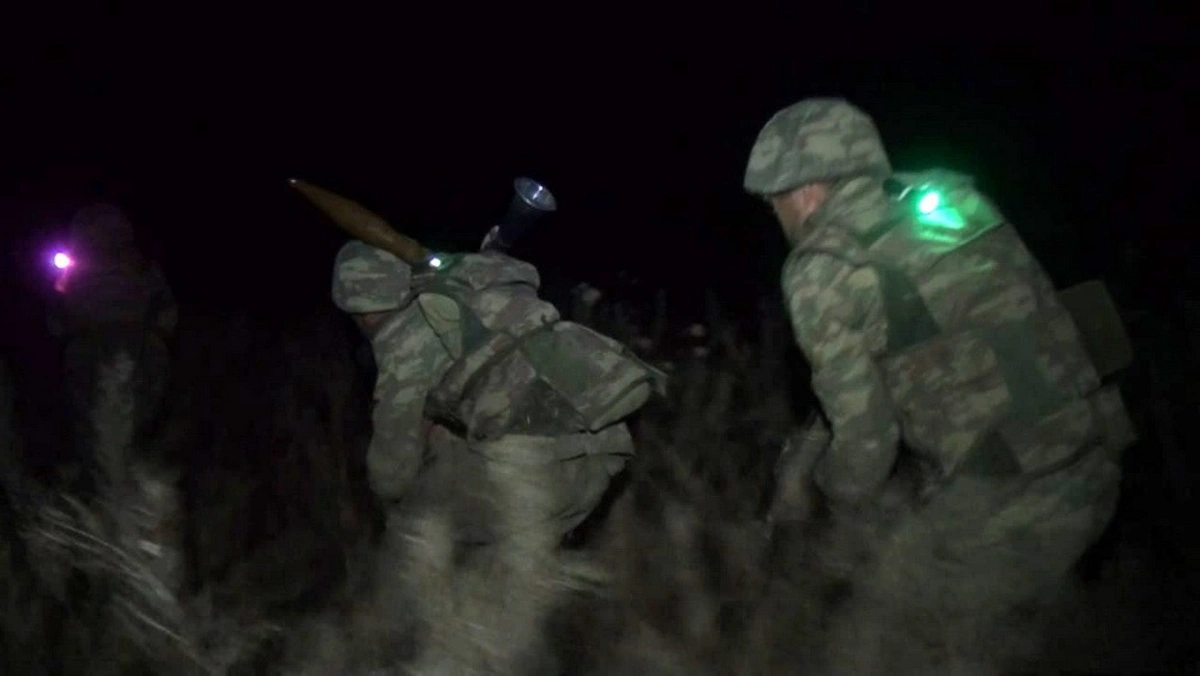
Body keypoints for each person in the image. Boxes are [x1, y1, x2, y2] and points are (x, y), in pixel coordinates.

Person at [743, 97, 1136, 670]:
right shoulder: (953, 203)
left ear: (805, 191)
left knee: (865, 650)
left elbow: (867, 448)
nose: (776, 216)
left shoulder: (821, 268)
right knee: (977, 645)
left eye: (773, 201)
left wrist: (823, 499)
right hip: (1096, 459)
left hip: (1013, 495)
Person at [331, 239, 661, 672]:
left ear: (359, 310)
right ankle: (556, 583)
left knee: (421, 531)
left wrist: (392, 486)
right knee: (493, 590)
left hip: (526, 471)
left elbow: (392, 471)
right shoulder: (471, 301)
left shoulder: (405, 339)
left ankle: (393, 639)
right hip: (602, 452)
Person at [48, 202, 177, 496]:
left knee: (94, 433)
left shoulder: (75, 271)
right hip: (139, 350)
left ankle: (105, 498)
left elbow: (56, 323)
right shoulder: (140, 264)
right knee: (137, 430)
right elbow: (168, 315)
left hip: (90, 352)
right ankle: (134, 497)